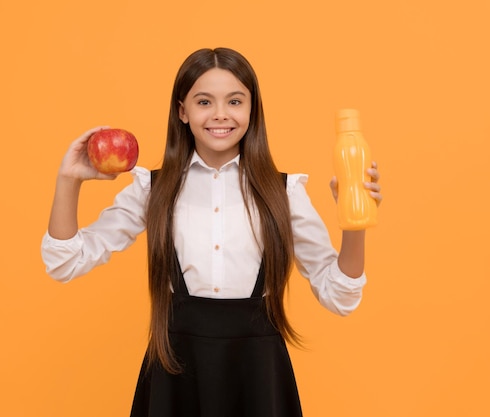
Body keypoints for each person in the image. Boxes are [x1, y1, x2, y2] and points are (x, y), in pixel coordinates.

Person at [41, 47, 382, 417]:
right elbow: (65, 263)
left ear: (252, 111)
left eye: (235, 101)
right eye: (205, 101)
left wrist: (355, 222)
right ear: (182, 111)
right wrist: (68, 180)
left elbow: (340, 296)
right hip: (176, 374)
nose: (220, 114)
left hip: (258, 377)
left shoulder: (284, 192)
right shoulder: (154, 189)